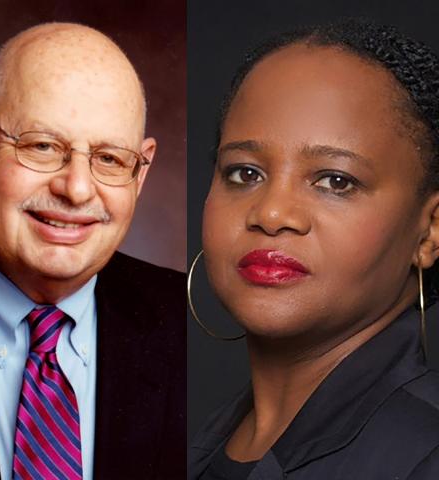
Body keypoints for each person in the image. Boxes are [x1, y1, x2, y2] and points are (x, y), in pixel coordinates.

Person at [188, 19, 439, 479]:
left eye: (335, 181)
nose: (272, 213)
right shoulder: (203, 444)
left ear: (429, 232)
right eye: (245, 173)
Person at [0, 23, 185, 479]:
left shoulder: (191, 324)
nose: (78, 189)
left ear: (139, 175)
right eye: (41, 146)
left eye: (109, 159)